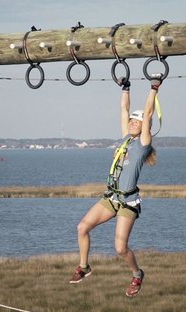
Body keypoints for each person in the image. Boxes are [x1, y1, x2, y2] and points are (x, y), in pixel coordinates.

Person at [69, 73, 162, 298]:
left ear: (143, 128)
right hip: (111, 198)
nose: (131, 122)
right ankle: (84, 266)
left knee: (120, 248)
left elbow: (148, 114)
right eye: (131, 121)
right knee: (82, 228)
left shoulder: (142, 145)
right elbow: (123, 110)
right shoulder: (125, 139)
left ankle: (137, 274)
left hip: (128, 202)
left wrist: (154, 88)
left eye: (135, 122)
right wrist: (126, 88)